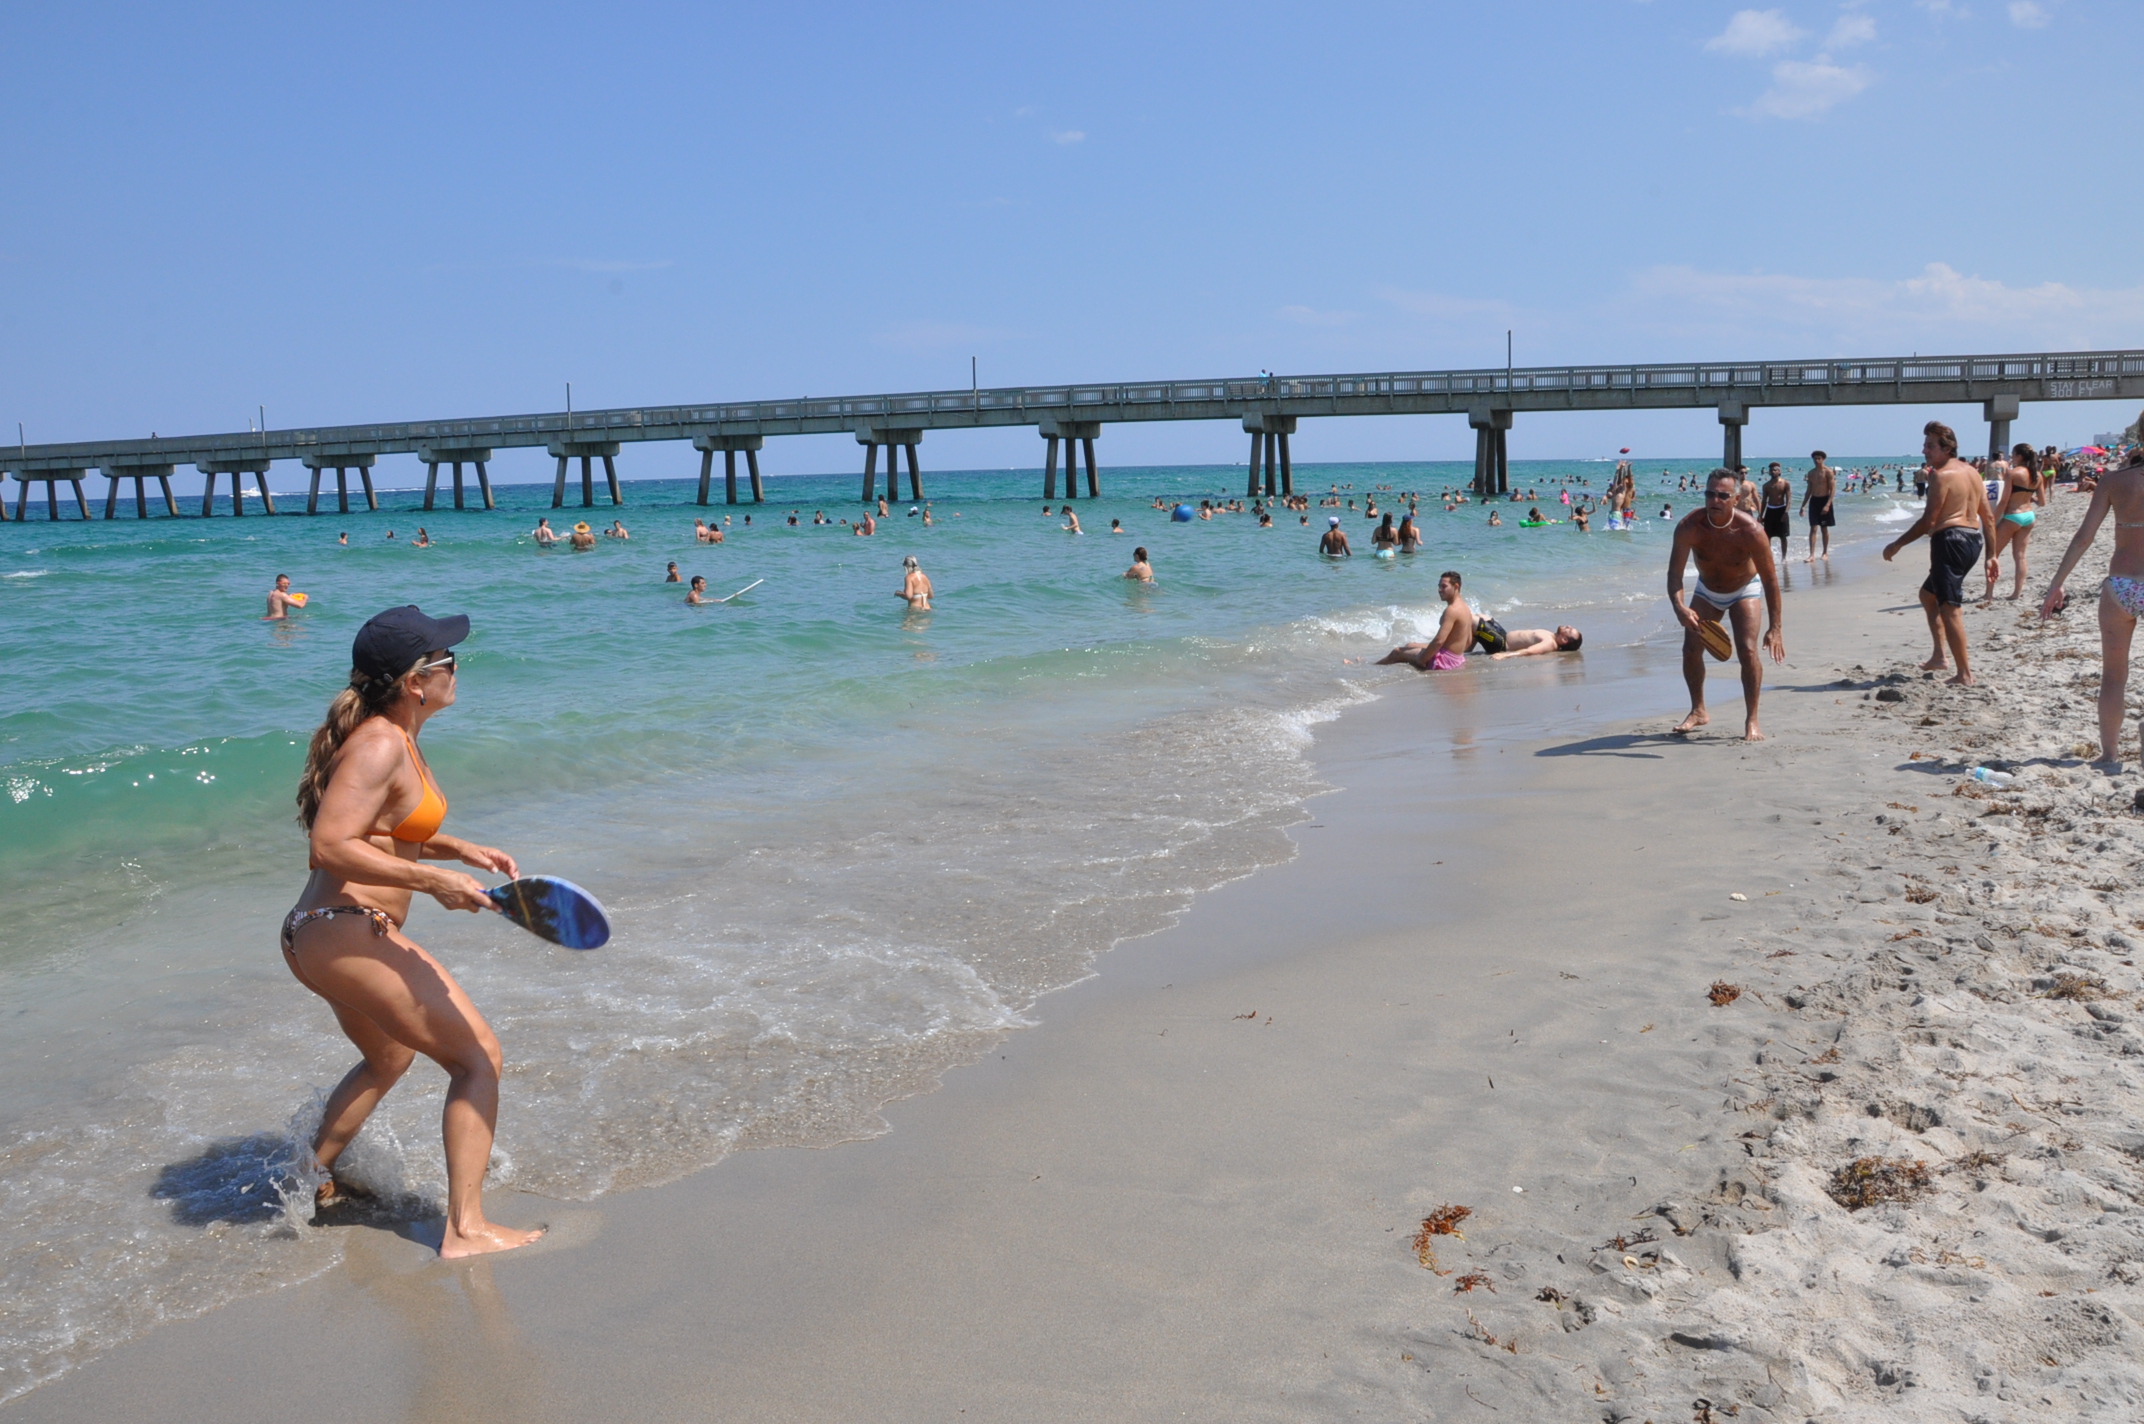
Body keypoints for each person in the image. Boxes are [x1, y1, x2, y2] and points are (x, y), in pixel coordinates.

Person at [285, 606, 541, 1258]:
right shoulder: (379, 742)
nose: (459, 668)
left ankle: (311, 1182)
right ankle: (466, 1230)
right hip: (345, 930)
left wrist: (456, 850)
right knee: (477, 1058)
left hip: (317, 931)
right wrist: (435, 884)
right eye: (447, 660)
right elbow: (330, 844)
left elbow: (381, 832)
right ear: (414, 681)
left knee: (390, 1056)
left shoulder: (395, 738)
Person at [2041, 431, 2144, 769]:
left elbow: (2084, 536)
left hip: (2121, 587)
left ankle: (2110, 754)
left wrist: (2057, 584)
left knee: (2114, 676)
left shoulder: (2113, 481)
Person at [1667, 468, 1786, 740]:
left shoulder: (1751, 531)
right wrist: (1679, 607)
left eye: (1723, 495)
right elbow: (1674, 574)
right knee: (1690, 649)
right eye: (1710, 494)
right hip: (1708, 590)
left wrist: (1775, 627)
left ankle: (1752, 720)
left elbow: (1770, 580)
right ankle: (1698, 710)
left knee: (1747, 650)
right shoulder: (1689, 527)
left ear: (1735, 499)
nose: (1715, 500)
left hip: (1745, 589)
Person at [1884, 421, 1997, 685]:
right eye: (1925, 445)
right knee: (1927, 595)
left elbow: (1928, 521)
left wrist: (1897, 544)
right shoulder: (1971, 472)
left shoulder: (1941, 475)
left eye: (1930, 446)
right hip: (1972, 541)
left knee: (1951, 608)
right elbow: (1988, 518)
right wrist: (1992, 555)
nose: (1924, 450)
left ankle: (1965, 674)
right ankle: (1939, 656)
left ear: (1947, 448)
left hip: (1950, 541)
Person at [1374, 571, 1476, 670]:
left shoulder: (1451, 610)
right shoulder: (1465, 608)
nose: (1440, 590)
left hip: (1444, 662)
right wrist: (1455, 653)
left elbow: (1438, 641)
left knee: (1396, 652)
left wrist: (1422, 660)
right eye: (1439, 586)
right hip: (1458, 658)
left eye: (1444, 586)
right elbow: (1469, 641)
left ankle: (1372, 667)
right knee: (1410, 645)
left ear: (1456, 587)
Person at [1985, 443, 2042, 603]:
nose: (2011, 457)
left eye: (2013, 454)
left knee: (1992, 555)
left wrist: (1992, 521)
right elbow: (2042, 501)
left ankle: (1989, 593)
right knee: (2020, 556)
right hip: (2029, 516)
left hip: (2013, 516)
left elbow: (2003, 502)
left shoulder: (2013, 473)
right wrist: (2027, 495)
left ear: (2020, 456)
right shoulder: (2037, 475)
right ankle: (2016, 593)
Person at [1799, 450, 1836, 562]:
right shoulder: (1811, 473)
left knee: (1824, 528)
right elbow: (1809, 490)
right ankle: (1812, 555)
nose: (1817, 460)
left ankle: (1825, 552)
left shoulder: (1828, 472)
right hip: (1814, 501)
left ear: (1823, 459)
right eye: (1815, 458)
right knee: (1813, 528)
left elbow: (1832, 490)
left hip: (1824, 500)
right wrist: (1803, 505)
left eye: (1819, 458)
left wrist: (1828, 505)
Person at [1487, 625, 1584, 659]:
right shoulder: (1552, 636)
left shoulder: (1549, 643)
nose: (1569, 626)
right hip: (1502, 635)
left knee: (1475, 622)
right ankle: (1470, 651)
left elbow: (1529, 651)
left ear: (1564, 640)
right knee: (1481, 616)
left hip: (1500, 644)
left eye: (1570, 630)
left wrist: (1504, 655)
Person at [1759, 462, 1793, 561]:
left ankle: (1784, 558)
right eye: (1771, 470)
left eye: (1775, 470)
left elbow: (1789, 499)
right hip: (1770, 511)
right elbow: (1764, 500)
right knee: (1767, 536)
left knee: (1783, 536)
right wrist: (1761, 515)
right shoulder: (1766, 485)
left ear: (1779, 471)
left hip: (1781, 510)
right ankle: (1769, 557)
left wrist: (1786, 512)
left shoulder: (1785, 483)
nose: (1773, 472)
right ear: (1769, 472)